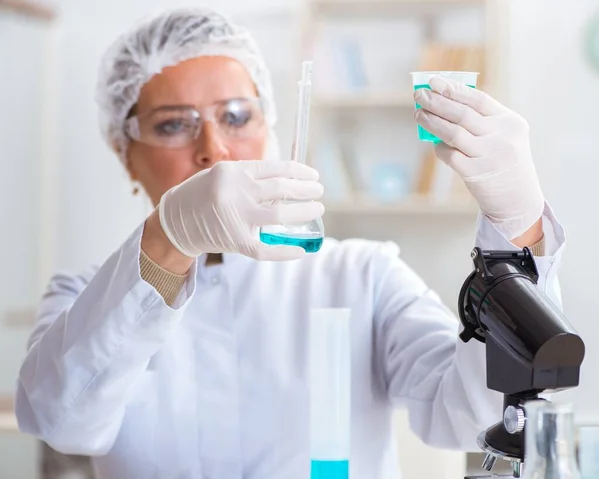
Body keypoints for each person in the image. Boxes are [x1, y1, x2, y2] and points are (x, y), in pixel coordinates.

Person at [15, 6, 565, 479]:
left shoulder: (362, 275)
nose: (214, 150)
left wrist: (515, 229)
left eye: (236, 116)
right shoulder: (86, 294)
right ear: (124, 152)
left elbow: (476, 416)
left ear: (272, 125)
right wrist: (167, 239)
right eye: (172, 125)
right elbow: (64, 424)